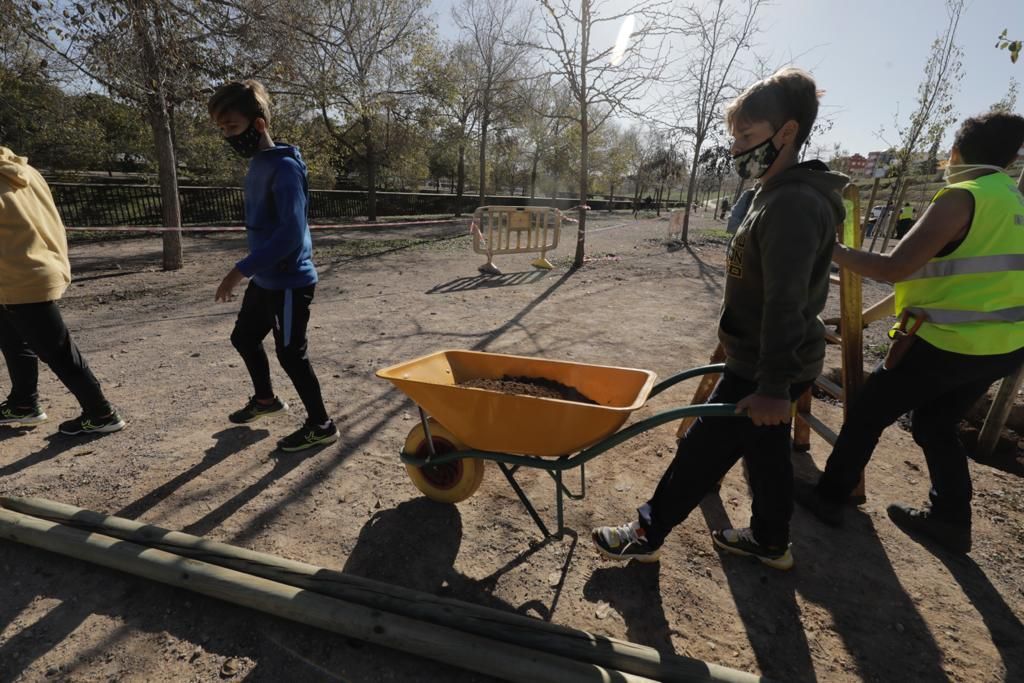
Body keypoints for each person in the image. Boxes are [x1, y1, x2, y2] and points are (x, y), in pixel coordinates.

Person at [591, 67, 848, 571]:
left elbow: (786, 302)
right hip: (767, 358)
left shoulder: (793, 204)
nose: (737, 150)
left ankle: (648, 531)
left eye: (748, 137)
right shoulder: (770, 196)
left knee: (701, 452)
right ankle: (771, 540)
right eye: (735, 138)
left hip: (763, 362)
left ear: (788, 132)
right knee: (766, 450)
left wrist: (773, 385)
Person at [794, 112, 1024, 555]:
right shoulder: (1014, 202)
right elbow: (932, 279)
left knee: (867, 412)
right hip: (1002, 346)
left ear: (956, 152)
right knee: (935, 423)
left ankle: (829, 497)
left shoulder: (962, 197)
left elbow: (894, 267)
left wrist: (832, 248)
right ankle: (951, 520)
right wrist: (865, 319)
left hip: (947, 344)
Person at [208, 80, 338, 452]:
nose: (228, 136)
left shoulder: (284, 169)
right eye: (223, 130)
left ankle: (321, 424)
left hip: (289, 282)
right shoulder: (259, 164)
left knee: (290, 353)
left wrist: (239, 270)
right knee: (244, 338)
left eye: (232, 127)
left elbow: (290, 236)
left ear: (259, 124)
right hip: (266, 278)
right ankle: (266, 401)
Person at [0, 147, 125, 435]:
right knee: (12, 339)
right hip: (31, 268)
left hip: (20, 275)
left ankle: (101, 412)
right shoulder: (25, 170)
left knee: (58, 351)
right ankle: (23, 403)